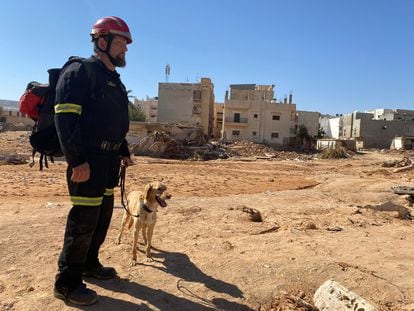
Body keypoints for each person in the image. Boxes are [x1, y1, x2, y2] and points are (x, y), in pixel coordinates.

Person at [53, 16, 134, 306]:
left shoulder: (113, 79)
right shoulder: (79, 72)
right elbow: (65, 119)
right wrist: (77, 161)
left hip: (109, 161)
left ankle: (89, 264)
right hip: (87, 160)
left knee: (102, 217)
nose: (125, 49)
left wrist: (123, 149)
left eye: (126, 44)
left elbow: (115, 122)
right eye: (121, 43)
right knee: (84, 220)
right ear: (102, 41)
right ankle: (67, 283)